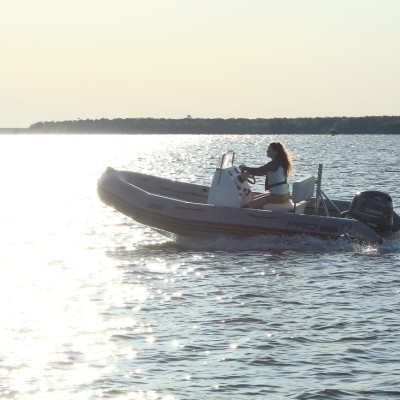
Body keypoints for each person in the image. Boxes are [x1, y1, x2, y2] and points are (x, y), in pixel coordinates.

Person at [239, 142, 293, 209]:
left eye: (269, 150)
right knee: (254, 198)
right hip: (284, 195)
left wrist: (244, 168)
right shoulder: (280, 162)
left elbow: (259, 170)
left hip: (278, 196)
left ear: (275, 152)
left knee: (250, 205)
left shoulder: (274, 164)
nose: (267, 151)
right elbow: (262, 172)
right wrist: (249, 173)